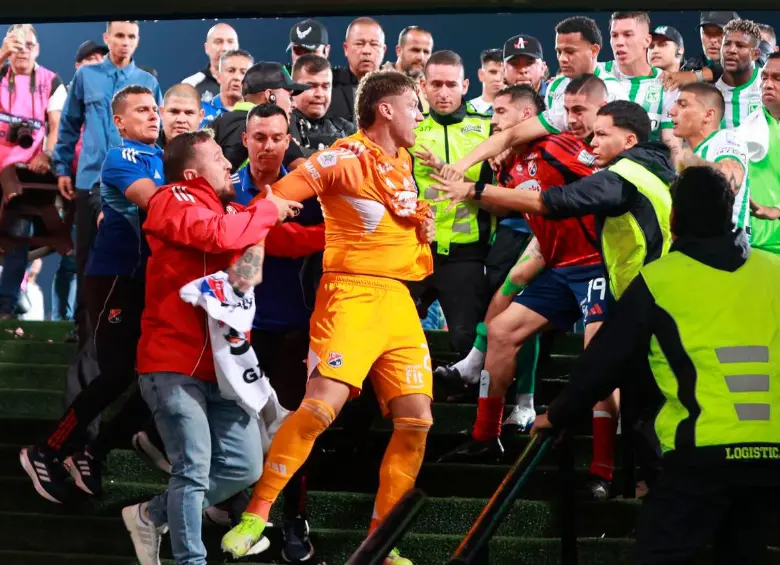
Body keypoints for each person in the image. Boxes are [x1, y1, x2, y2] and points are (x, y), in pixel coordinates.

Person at [221, 70, 435, 565]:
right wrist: (246, 255)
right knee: (319, 408)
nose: (420, 116)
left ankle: (382, 544)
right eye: (414, 106)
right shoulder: (342, 157)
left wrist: (421, 227)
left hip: (399, 302)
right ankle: (257, 514)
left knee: (417, 422)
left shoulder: (403, 162)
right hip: (351, 297)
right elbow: (278, 196)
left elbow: (401, 222)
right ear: (386, 109)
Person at [532, 165, 780, 565]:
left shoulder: (659, 279)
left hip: (700, 452)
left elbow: (604, 361)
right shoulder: (775, 271)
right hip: (771, 456)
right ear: (731, 210)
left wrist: (558, 415)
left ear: (673, 217)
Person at [434, 100, 675, 499]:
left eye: (502, 118)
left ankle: (602, 470)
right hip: (563, 266)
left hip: (600, 268)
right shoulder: (513, 163)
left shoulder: (571, 151)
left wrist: (473, 186)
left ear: (526, 120)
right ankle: (485, 435)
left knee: (598, 362)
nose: (494, 125)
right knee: (501, 329)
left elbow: (555, 201)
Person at [121, 129, 302, 565]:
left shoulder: (232, 212)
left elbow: (281, 241)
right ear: (190, 172)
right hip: (173, 363)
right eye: (219, 156)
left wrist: (347, 235)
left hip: (224, 370)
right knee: (194, 468)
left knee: (245, 467)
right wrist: (266, 209)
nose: (228, 163)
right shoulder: (172, 198)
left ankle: (149, 515)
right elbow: (217, 236)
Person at [19, 85, 166, 503]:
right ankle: (47, 450)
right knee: (117, 372)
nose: (152, 116)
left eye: (154, 109)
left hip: (145, 280)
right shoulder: (121, 157)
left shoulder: (162, 157)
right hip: (115, 277)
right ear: (118, 122)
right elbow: (158, 205)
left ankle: (92, 451)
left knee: (153, 373)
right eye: (142, 110)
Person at [231, 102, 325, 562]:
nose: (268, 146)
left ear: (288, 140)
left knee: (292, 429)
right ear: (245, 139)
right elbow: (255, 244)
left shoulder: (313, 187)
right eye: (259, 137)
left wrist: (265, 226)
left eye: (276, 138)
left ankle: (293, 519)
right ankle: (240, 512)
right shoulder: (226, 187)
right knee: (239, 428)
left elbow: (279, 242)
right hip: (240, 332)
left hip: (296, 329)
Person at [52, 20, 161, 350]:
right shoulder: (87, 76)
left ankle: (128, 328)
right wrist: (62, 167)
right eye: (119, 36)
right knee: (86, 258)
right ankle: (84, 329)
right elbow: (70, 123)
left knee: (135, 255)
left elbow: (159, 132)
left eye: (131, 36)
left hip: (134, 183)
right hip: (89, 180)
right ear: (106, 38)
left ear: (138, 40)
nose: (125, 42)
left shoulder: (147, 81)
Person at [411, 50, 493, 360]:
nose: (443, 93)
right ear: (423, 86)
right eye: (436, 84)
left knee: (466, 343)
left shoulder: (487, 128)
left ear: (466, 85)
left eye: (451, 84)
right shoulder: (411, 130)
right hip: (417, 252)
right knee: (390, 331)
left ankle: (466, 402)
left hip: (466, 256)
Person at [0, 24, 67, 319]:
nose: (22, 50)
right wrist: (3, 53)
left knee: (17, 236)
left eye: (29, 44)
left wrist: (48, 154)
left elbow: (56, 126)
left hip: (26, 173)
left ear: (38, 49)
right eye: (16, 43)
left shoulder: (51, 81)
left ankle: (5, 307)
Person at [669, 83, 750, 235]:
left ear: (708, 115)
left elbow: (731, 179)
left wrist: (694, 165)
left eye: (683, 105)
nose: (671, 111)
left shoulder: (726, 139)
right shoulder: (696, 152)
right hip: (699, 244)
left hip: (728, 248)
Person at [598, 12, 680, 154]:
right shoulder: (596, 74)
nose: (619, 42)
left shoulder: (666, 85)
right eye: (614, 35)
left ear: (647, 41)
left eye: (628, 35)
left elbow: (672, 144)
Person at [209, 61, 309, 172]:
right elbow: (310, 175)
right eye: (289, 96)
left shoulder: (214, 124)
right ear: (270, 96)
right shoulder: (272, 132)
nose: (294, 104)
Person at [739, 52, 780, 251]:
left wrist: (778, 211)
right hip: (754, 245)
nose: (768, 84)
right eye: (765, 77)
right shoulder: (746, 129)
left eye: (777, 78)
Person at [290, 54, 356, 155]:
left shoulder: (346, 129)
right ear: (293, 89)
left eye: (325, 87)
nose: (319, 94)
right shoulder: (281, 127)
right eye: (311, 86)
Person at [327, 17, 386, 123]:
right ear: (346, 49)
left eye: (374, 44)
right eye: (359, 44)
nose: (366, 51)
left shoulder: (397, 89)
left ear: (384, 50)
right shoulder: (328, 86)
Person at [716, 19, 762, 129]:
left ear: (755, 54)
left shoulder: (767, 84)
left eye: (740, 46)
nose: (731, 50)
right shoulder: (710, 91)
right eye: (726, 44)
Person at [182, 23, 239, 104]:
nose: (225, 48)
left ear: (237, 47)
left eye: (230, 41)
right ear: (206, 48)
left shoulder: (251, 83)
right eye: (218, 42)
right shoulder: (190, 85)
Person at [384, 26, 433, 112]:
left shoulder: (432, 88)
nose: (421, 57)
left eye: (426, 52)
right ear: (399, 50)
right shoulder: (375, 83)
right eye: (415, 50)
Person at [200, 49, 253, 126]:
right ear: (218, 76)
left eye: (243, 72)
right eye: (231, 71)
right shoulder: (201, 110)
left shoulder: (257, 114)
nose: (237, 77)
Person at [158, 84, 205, 148]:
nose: (181, 120)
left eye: (189, 113)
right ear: (161, 113)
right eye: (174, 111)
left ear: (201, 116)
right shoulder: (142, 150)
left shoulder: (212, 153)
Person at [468, 48, 504, 115]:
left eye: (504, 73)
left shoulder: (519, 112)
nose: (498, 78)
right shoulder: (465, 111)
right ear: (481, 75)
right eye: (493, 72)